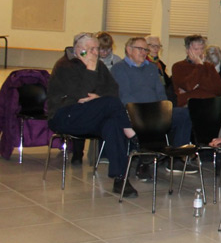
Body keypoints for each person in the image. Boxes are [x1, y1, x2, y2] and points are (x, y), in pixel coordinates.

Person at [48, 32, 137, 196]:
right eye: (91, 49)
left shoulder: (99, 65)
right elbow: (81, 94)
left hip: (89, 114)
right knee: (111, 104)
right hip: (64, 115)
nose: (96, 52)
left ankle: (120, 179)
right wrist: (89, 69)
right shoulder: (64, 66)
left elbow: (113, 90)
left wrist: (98, 97)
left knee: (112, 123)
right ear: (79, 50)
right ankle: (132, 135)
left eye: (97, 48)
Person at [111, 37, 193, 179]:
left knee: (185, 114)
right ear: (129, 50)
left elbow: (160, 93)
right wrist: (146, 112)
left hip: (156, 111)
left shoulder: (152, 68)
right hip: (135, 112)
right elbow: (125, 95)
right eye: (140, 49)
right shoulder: (119, 68)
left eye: (146, 50)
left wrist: (163, 109)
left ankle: (176, 159)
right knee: (146, 120)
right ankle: (145, 162)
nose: (144, 52)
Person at [171, 35, 221, 108]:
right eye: (196, 49)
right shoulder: (178, 66)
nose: (199, 52)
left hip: (210, 103)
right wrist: (199, 66)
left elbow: (219, 90)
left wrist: (197, 85)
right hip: (189, 105)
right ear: (187, 50)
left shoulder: (209, 66)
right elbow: (188, 86)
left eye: (202, 49)